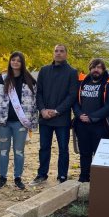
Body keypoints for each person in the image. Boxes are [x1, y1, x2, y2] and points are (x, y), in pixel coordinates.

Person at [0, 52, 38, 190]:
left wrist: (33, 123)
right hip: (3, 123)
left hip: (20, 123)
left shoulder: (30, 81)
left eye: (18, 61)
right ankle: (2, 177)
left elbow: (34, 105)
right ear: (10, 62)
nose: (15, 62)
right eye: (13, 60)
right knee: (3, 150)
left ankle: (18, 177)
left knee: (19, 151)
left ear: (22, 63)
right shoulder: (0, 79)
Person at [29, 45, 78, 186]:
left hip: (61, 119)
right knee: (44, 147)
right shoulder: (44, 71)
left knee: (63, 149)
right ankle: (41, 174)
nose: (58, 53)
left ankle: (62, 176)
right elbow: (39, 93)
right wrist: (42, 110)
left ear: (66, 54)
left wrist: (57, 111)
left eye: (62, 51)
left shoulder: (72, 72)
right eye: (56, 51)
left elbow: (72, 95)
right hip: (44, 118)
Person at [73, 58, 109, 182]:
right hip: (82, 124)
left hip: (100, 125)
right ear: (90, 69)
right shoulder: (82, 82)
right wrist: (79, 114)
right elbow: (75, 102)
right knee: (84, 153)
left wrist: (92, 118)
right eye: (93, 67)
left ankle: (98, 180)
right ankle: (84, 177)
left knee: (99, 155)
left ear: (103, 69)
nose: (96, 70)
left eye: (99, 67)